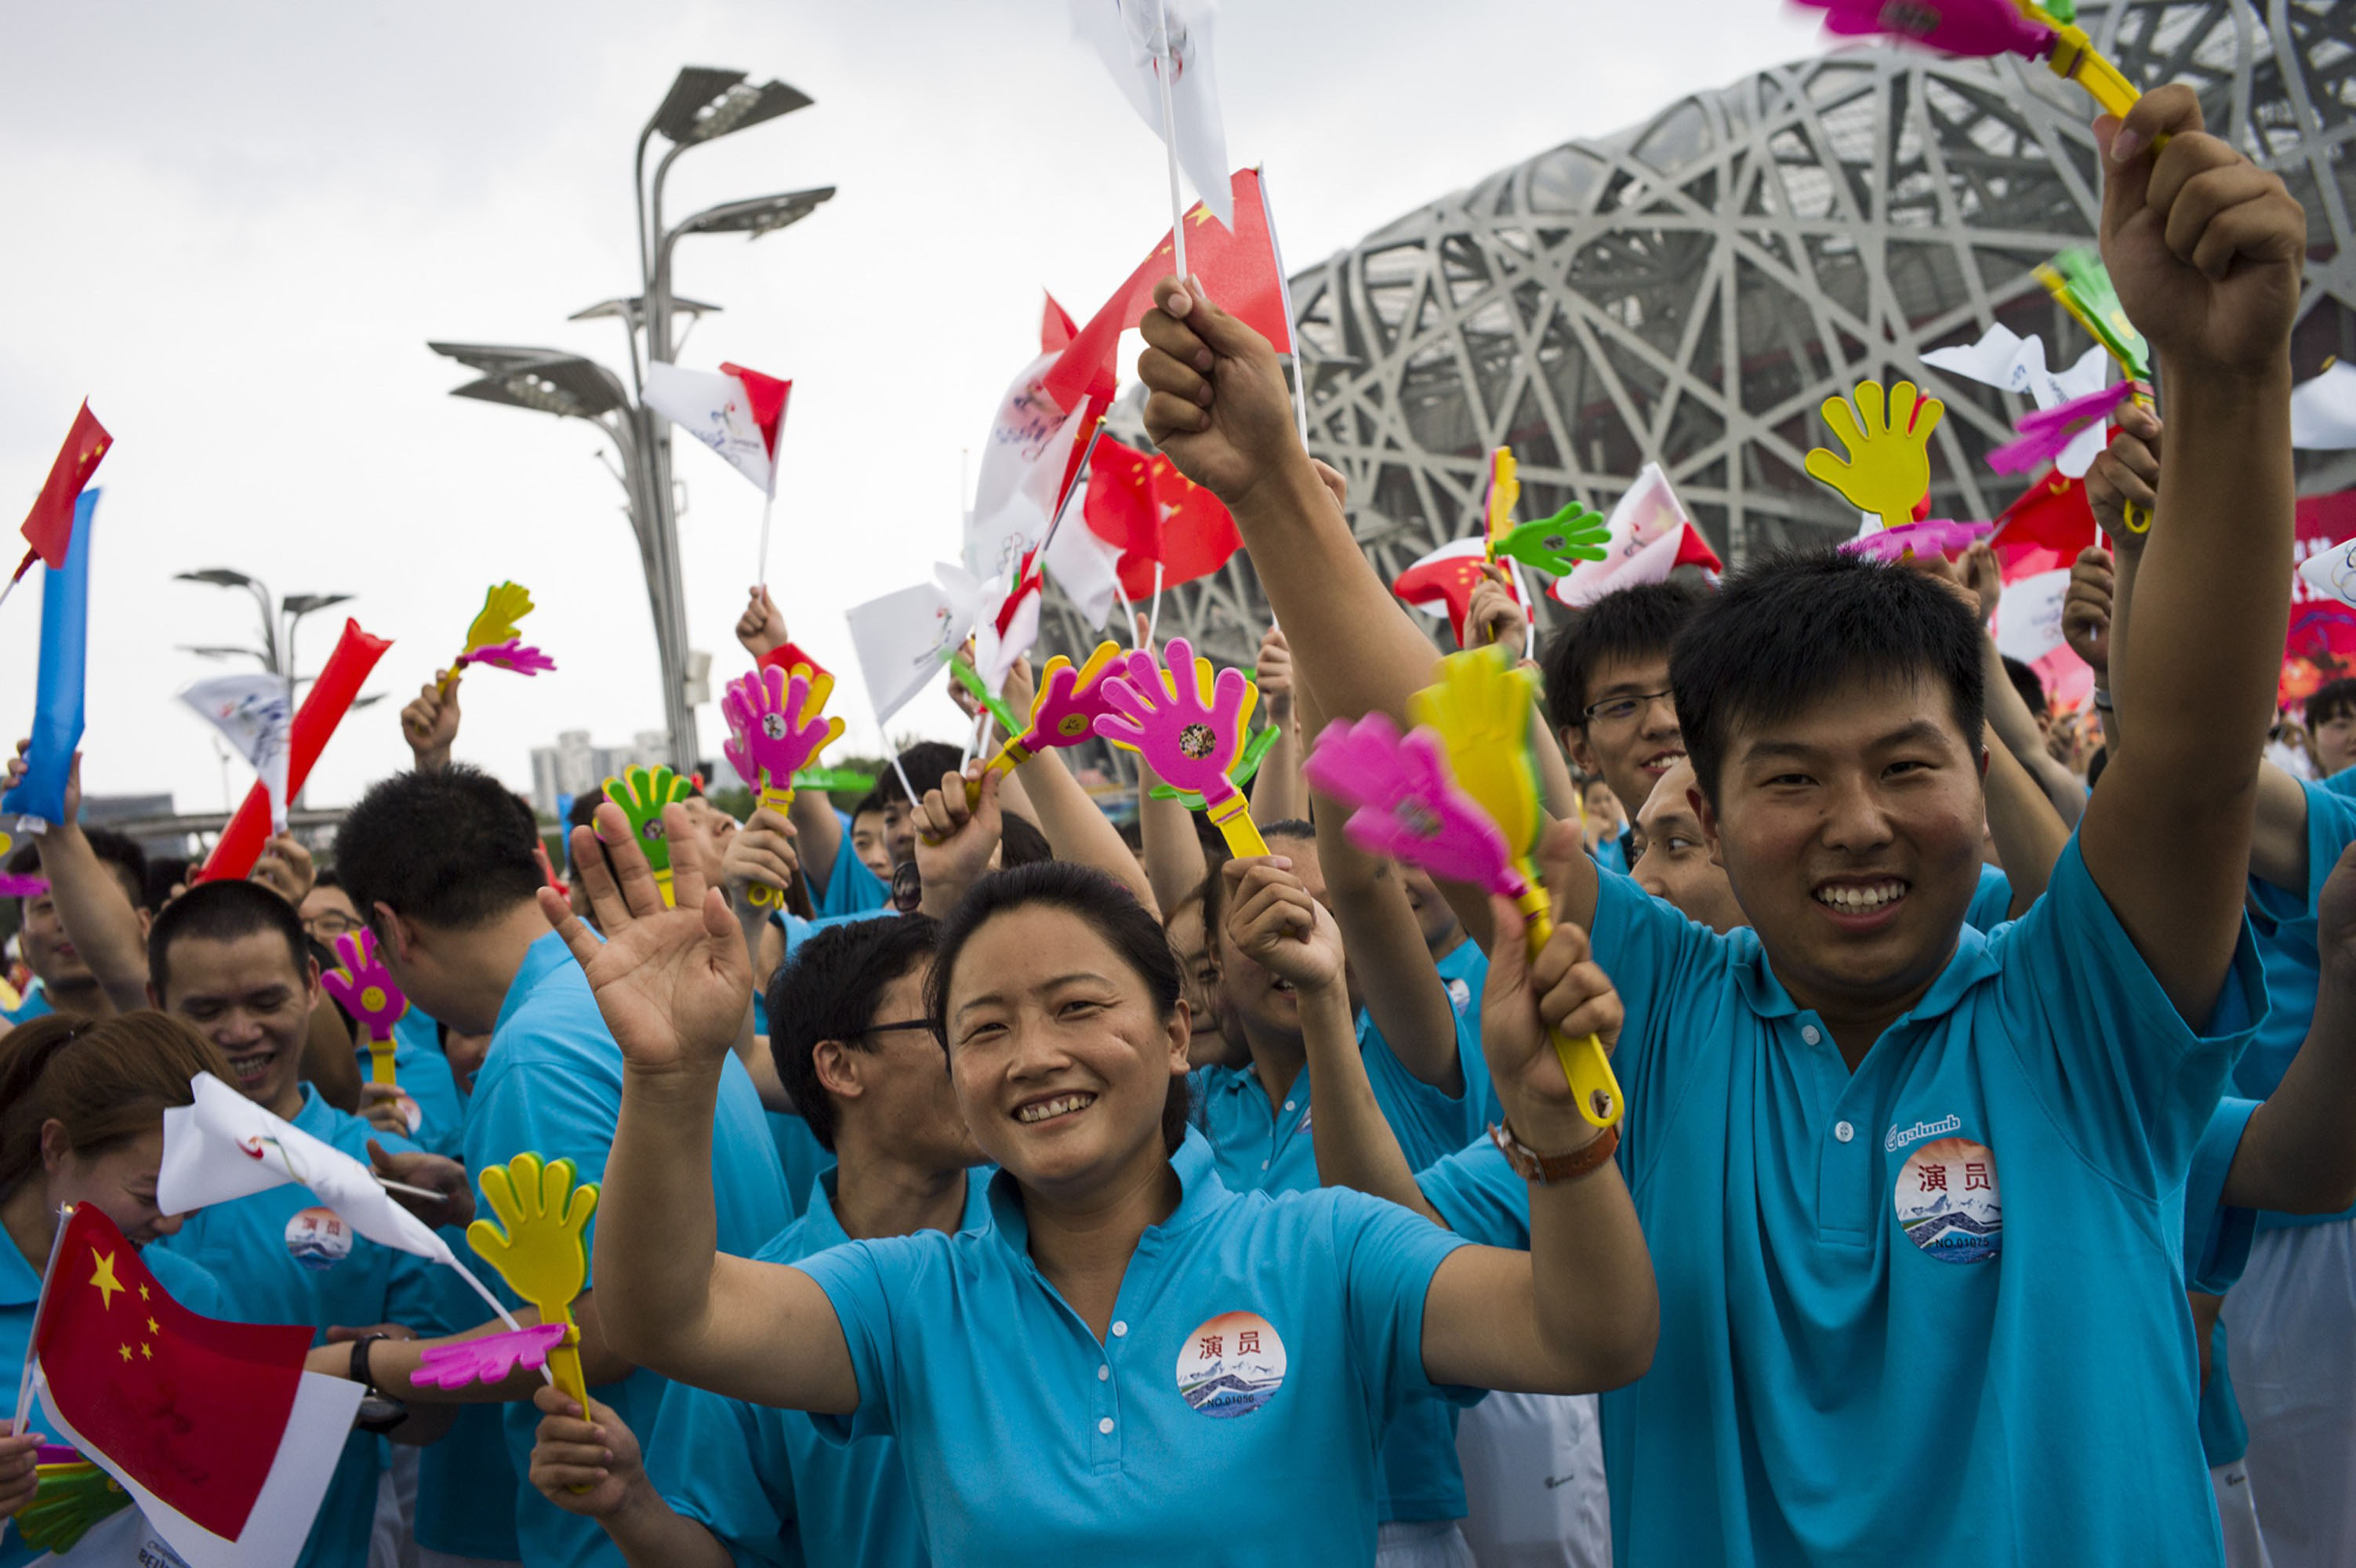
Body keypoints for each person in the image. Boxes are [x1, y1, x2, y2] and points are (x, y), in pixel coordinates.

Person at [1132, 80, 2300, 1564]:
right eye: (1793, 779)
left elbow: (2190, 754)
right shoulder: (1664, 1015)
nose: (1857, 824)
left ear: (1984, 764)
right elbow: (1454, 779)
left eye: (1907, 767)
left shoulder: (2086, 1010)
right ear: (1703, 795)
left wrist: (2224, 374)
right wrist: (1274, 484)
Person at [543, 797, 1655, 1565]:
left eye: (1078, 1008)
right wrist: (673, 1077)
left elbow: (1589, 1340)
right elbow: (667, 1312)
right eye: (984, 1027)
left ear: (1177, 1032)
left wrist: (1557, 1127)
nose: (1034, 1056)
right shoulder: (912, 1302)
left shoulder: (1325, 1251)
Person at [321, 764, 789, 1568]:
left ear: (392, 929)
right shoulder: (628, 998)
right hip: (740, 1490)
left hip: (645, 1512)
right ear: (539, 868)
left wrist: (367, 1362)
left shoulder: (531, 1054)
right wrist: (475, 1205)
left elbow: (602, 1327)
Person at [526, 914, 988, 1566]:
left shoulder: (1065, 1235)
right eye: (946, 1028)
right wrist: (628, 1502)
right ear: (839, 1066)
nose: (988, 1052)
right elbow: (721, 1553)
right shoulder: (741, 1319)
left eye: (986, 1022)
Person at [145, 880, 461, 1568]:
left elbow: (430, 1424)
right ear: (155, 1005)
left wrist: (386, 1369)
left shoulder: (372, 1174)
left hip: (329, 1545)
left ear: (313, 985)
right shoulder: (123, 1170)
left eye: (266, 1001)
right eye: (206, 1010)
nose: (240, 1032)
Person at [0, 1011, 241, 1568]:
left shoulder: (187, 1295)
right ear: (56, 1148)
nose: (174, 1224)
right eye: (149, 1191)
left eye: (192, 1197)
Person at [1537, 580, 1706, 869]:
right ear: (1580, 749)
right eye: (1623, 706)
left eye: (1682, 692)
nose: (1662, 722)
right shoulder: (1603, 900)